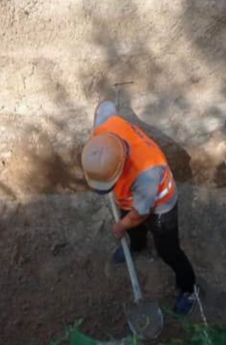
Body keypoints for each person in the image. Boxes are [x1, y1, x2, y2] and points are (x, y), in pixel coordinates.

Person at [80, 101, 197, 315]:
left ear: (120, 166)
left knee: (168, 250)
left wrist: (120, 227)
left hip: (161, 204)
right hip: (131, 197)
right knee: (133, 228)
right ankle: (137, 246)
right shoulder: (104, 127)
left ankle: (189, 289)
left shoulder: (146, 173)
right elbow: (105, 106)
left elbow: (139, 214)